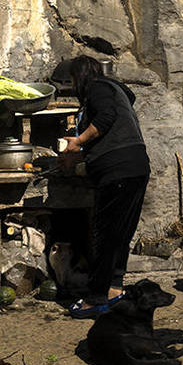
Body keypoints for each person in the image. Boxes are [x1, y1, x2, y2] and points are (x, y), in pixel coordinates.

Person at [62, 56, 150, 319]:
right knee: (120, 234)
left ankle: (95, 298)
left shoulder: (99, 88)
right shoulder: (117, 91)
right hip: (136, 166)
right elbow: (109, 126)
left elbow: (106, 117)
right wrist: (79, 152)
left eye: (73, 80)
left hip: (117, 171)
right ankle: (114, 289)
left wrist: (78, 140)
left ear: (81, 76)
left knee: (104, 235)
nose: (73, 85)